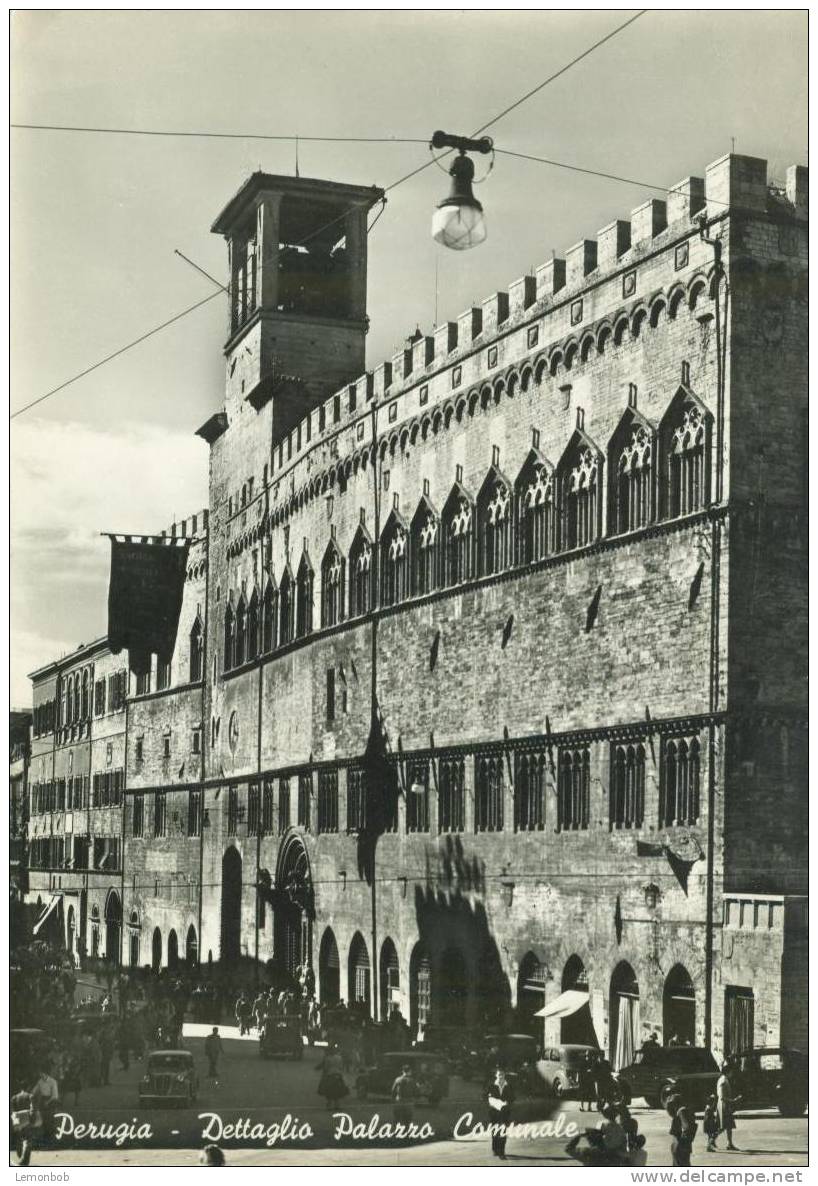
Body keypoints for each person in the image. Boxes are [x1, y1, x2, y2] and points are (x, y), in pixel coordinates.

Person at [487, 1065, 515, 1160]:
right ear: (496, 1075)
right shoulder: (491, 1085)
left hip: (504, 1112)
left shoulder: (509, 1085)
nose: (500, 1076)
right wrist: (493, 1101)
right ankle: (495, 1149)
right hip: (494, 1112)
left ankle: (502, 1151)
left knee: (503, 1131)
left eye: (502, 1074)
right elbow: (485, 1096)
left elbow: (513, 1097)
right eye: (499, 1074)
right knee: (495, 1131)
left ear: (504, 1075)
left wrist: (508, 1101)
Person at [667, 1093, 697, 1167]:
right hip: (683, 1144)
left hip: (680, 1144)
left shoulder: (681, 1111)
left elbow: (686, 1126)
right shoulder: (684, 1111)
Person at [317, 1044, 349, 1110]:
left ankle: (329, 1105)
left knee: (329, 1091)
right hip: (338, 1075)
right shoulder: (339, 1057)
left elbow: (326, 1068)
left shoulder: (327, 1058)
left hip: (330, 1075)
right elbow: (341, 1067)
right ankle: (337, 1105)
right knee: (338, 1091)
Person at [30, 1068, 59, 1142]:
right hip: (43, 1100)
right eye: (40, 1074)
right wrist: (31, 1094)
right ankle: (46, 1135)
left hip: (51, 1100)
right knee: (44, 1118)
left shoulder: (53, 1082)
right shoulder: (40, 1081)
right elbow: (35, 1090)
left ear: (46, 1073)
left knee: (50, 1119)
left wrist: (48, 1102)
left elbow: (55, 1095)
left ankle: (52, 1136)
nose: (41, 1075)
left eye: (42, 1074)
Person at [716, 1062, 738, 1151]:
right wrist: (733, 1101)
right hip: (724, 1106)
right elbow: (722, 1097)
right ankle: (711, 1141)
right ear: (728, 1072)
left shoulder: (724, 1079)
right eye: (731, 1072)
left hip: (726, 1106)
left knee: (728, 1126)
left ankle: (730, 1143)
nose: (732, 1074)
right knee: (722, 1127)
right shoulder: (723, 1081)